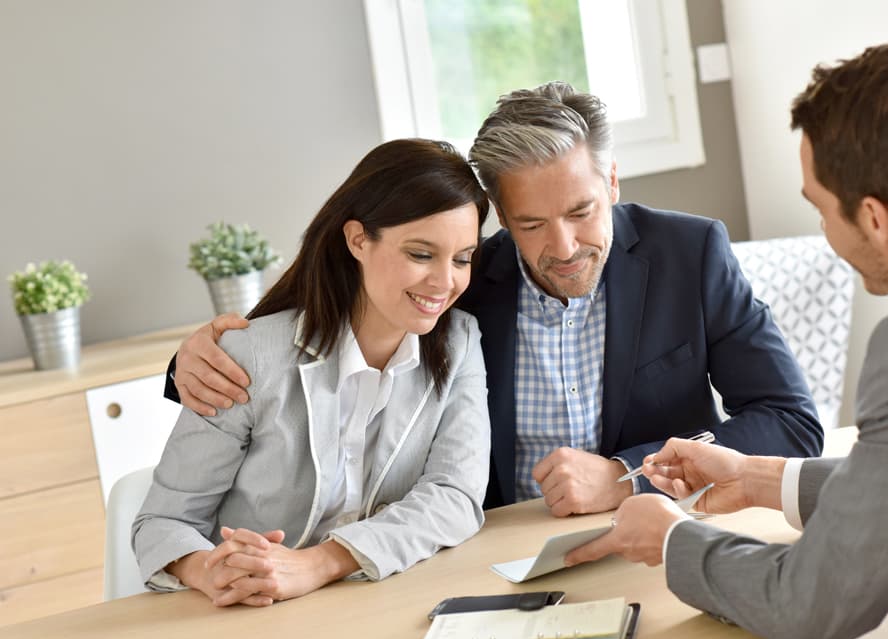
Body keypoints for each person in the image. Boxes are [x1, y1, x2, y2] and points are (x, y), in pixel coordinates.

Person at [164, 83, 823, 516]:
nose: (563, 246)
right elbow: (330, 325)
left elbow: (790, 420)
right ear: (498, 218)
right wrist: (192, 360)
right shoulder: (462, 280)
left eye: (582, 211)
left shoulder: (692, 254)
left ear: (613, 181)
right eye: (530, 224)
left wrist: (628, 476)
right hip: (487, 550)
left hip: (658, 531)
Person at [566, 42, 888, 639]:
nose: (825, 231)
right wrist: (761, 477)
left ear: (873, 218)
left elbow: (813, 606)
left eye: (821, 210)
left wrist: (674, 539)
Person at [133, 139, 491, 608]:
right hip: (254, 618)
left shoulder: (459, 342)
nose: (445, 281)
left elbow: (455, 494)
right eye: (421, 254)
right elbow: (162, 522)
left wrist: (321, 563)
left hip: (381, 603)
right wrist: (211, 570)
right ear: (358, 240)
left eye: (462, 259)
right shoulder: (248, 355)